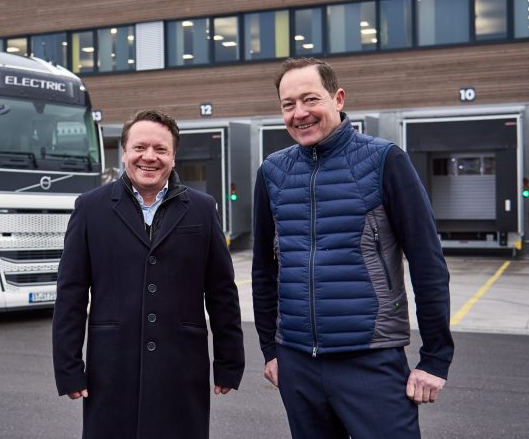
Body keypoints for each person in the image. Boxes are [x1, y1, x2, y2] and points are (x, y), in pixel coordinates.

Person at [252, 58, 454, 438]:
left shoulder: (384, 160)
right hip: (297, 362)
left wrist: (435, 358)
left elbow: (428, 262)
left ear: (338, 98)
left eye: (310, 99)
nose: (300, 113)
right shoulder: (272, 172)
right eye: (288, 105)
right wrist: (271, 350)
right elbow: (264, 270)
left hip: (371, 360)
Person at [53, 109, 245, 439]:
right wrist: (68, 368)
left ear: (173, 156)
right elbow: (70, 293)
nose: (149, 157)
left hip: (181, 368)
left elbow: (221, 292)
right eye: (140, 147)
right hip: (112, 369)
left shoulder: (202, 208)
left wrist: (229, 362)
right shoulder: (90, 208)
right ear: (125, 151)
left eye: (161, 149)